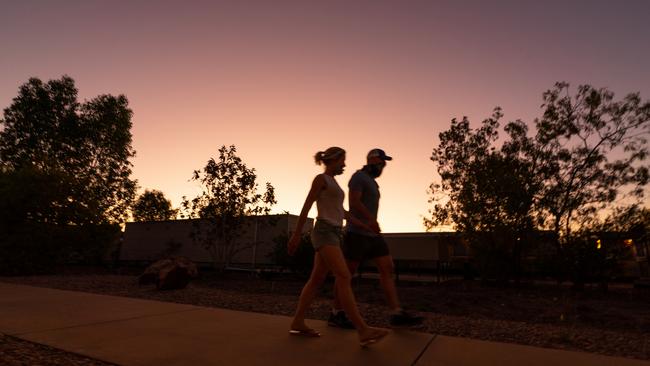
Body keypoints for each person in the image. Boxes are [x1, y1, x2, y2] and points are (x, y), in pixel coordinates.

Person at [288, 147, 390, 347]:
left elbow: (341, 211)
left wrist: (364, 224)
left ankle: (298, 322)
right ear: (333, 160)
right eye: (342, 161)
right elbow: (307, 205)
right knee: (344, 276)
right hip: (324, 232)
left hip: (334, 233)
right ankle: (363, 330)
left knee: (316, 279)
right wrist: (297, 234)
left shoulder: (334, 183)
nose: (344, 165)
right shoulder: (321, 179)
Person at [328, 148, 424, 329]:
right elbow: (354, 202)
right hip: (357, 233)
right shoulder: (358, 177)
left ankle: (396, 313)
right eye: (381, 162)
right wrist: (371, 220)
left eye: (384, 164)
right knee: (346, 274)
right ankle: (336, 313)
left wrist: (373, 223)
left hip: (373, 235)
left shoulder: (372, 181)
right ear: (372, 160)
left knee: (387, 268)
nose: (383, 166)